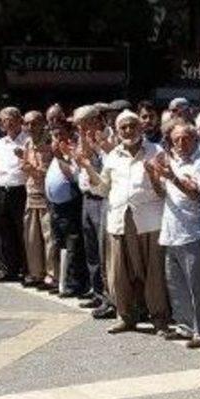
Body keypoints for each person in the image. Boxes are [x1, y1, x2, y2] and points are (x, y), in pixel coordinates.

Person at [79, 110, 169, 333]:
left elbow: (164, 189)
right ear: (117, 131)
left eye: (132, 126)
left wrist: (153, 176)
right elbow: (102, 189)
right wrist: (88, 167)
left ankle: (159, 318)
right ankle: (126, 316)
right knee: (120, 272)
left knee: (153, 273)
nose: (128, 131)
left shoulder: (156, 151)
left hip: (149, 221)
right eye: (123, 127)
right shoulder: (113, 156)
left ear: (140, 128)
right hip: (119, 219)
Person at [156, 120, 200, 348]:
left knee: (198, 288)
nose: (181, 143)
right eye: (176, 140)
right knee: (176, 284)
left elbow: (198, 195)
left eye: (186, 138)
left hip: (193, 233)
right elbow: (161, 192)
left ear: (195, 139)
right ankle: (185, 326)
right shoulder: (170, 161)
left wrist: (172, 177)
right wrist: (153, 174)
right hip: (171, 231)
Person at [75, 105, 116, 319]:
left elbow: (103, 168)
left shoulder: (110, 137)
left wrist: (99, 145)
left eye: (83, 124)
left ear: (95, 120)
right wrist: (83, 140)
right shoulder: (84, 138)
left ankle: (110, 298)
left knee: (103, 250)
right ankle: (97, 292)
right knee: (91, 249)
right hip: (87, 197)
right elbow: (81, 160)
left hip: (103, 198)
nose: (80, 129)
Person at [44, 121, 88, 297]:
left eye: (61, 134)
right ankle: (62, 281)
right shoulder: (57, 153)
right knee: (59, 244)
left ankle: (74, 284)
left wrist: (60, 157)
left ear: (70, 134)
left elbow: (74, 176)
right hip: (56, 206)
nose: (57, 138)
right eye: (54, 135)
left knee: (73, 245)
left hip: (71, 205)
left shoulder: (72, 151)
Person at [0, 106, 29, 281]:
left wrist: (24, 157)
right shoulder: (0, 142)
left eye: (12, 119)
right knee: (4, 231)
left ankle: (26, 269)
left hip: (20, 190)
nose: (9, 123)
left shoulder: (27, 140)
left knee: (22, 232)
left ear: (20, 120)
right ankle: (9, 269)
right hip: (2, 189)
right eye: (5, 120)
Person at [21, 110, 54, 288]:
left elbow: (49, 171)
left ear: (42, 124)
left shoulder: (50, 142)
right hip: (31, 192)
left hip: (46, 195)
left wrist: (32, 169)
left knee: (49, 237)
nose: (30, 127)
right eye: (27, 124)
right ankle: (36, 273)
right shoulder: (27, 143)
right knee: (32, 236)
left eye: (34, 123)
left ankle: (51, 275)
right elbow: (25, 166)